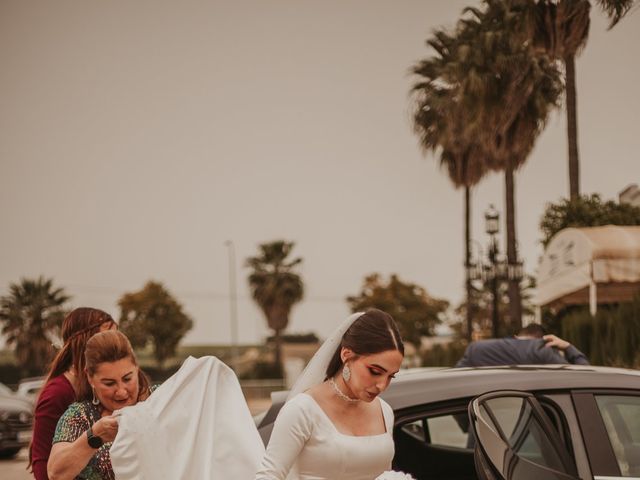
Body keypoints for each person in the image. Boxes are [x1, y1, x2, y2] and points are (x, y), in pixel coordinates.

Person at [255, 308, 405, 480]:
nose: (382, 385)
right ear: (347, 355)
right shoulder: (302, 410)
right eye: (375, 371)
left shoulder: (384, 411)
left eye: (390, 376)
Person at [47, 330, 151, 480]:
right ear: (90, 377)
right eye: (109, 383)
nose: (121, 392)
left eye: (127, 379)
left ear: (136, 367)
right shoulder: (79, 416)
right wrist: (95, 436)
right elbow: (55, 473)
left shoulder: (161, 399)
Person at [30, 308, 117, 480]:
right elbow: (42, 465)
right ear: (86, 342)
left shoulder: (113, 386)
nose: (116, 344)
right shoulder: (57, 393)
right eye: (107, 337)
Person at [455, 323, 589, 367]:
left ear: (516, 338)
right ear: (545, 339)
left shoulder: (476, 349)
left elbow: (454, 385)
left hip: (483, 428)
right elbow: (585, 376)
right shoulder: (544, 350)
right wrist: (568, 347)